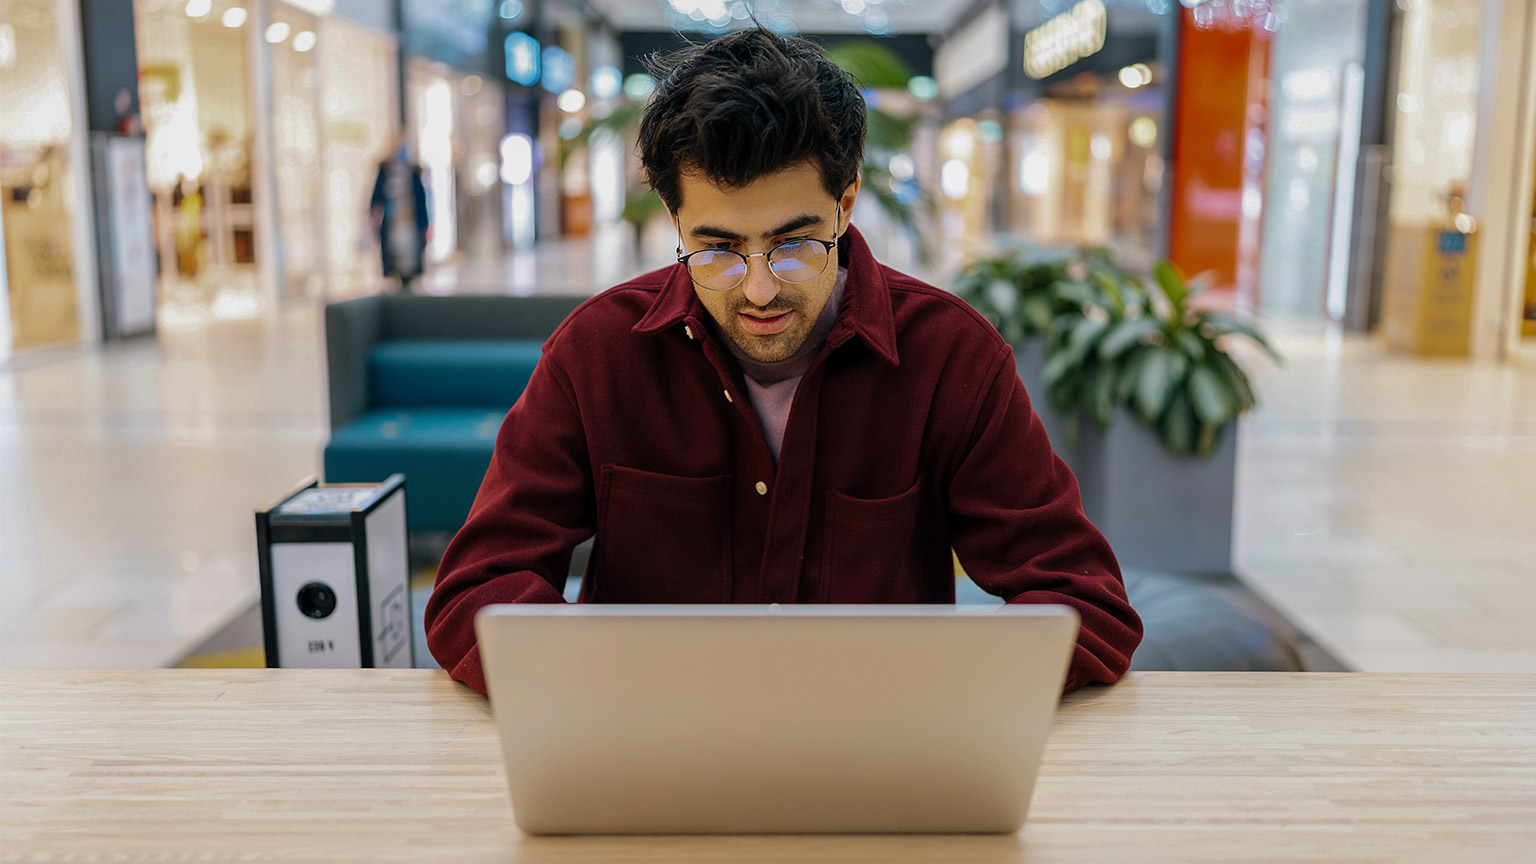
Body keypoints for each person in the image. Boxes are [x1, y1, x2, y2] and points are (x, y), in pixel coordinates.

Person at [425, 28, 1142, 694]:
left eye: (795, 244)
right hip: (648, 759)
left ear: (846, 204)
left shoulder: (950, 357)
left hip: (880, 766)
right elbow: (476, 591)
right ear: (674, 223)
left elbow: (1088, 606)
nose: (760, 288)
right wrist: (609, 684)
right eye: (718, 249)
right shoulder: (599, 355)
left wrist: (943, 692)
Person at [369, 142, 429, 291]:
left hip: (409, 222)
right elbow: (377, 197)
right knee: (394, 253)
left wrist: (425, 224)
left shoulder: (412, 173)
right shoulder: (385, 172)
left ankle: (407, 278)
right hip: (392, 223)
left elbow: (421, 201)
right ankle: (397, 276)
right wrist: (373, 216)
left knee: (408, 254)